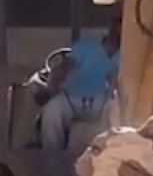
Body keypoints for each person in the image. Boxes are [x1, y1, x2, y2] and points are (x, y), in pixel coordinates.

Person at [39, 18, 120, 150]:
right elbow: (65, 66)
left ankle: (108, 154)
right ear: (112, 26)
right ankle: (52, 155)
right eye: (118, 24)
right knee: (51, 111)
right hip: (72, 97)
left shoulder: (127, 55)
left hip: (103, 100)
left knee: (119, 113)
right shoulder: (86, 46)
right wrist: (56, 78)